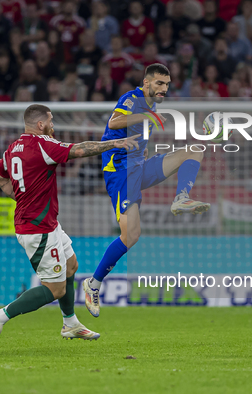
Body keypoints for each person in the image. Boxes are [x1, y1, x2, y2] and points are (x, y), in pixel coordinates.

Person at [0, 104, 140, 353]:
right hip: (38, 229)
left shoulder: (12, 148)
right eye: (51, 121)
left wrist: (23, 198)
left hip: (45, 223)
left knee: (71, 265)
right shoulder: (42, 144)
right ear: (40, 125)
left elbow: (0, 178)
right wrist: (115, 143)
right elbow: (79, 150)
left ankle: (70, 324)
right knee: (55, 288)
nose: (53, 125)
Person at [82, 64, 210, 317]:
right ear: (146, 82)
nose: (164, 88)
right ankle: (93, 284)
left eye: (167, 84)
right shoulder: (133, 98)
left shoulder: (150, 106)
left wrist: (145, 149)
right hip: (120, 173)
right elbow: (114, 121)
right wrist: (146, 117)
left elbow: (137, 135)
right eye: (160, 83)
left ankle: (181, 198)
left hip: (139, 166)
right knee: (131, 235)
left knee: (195, 150)